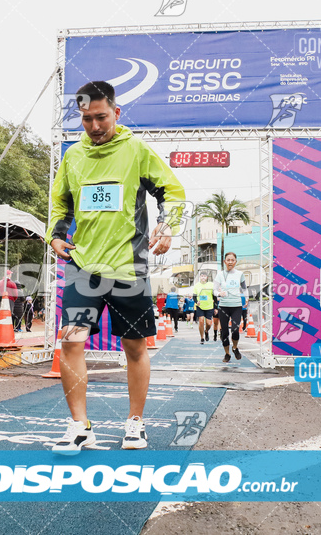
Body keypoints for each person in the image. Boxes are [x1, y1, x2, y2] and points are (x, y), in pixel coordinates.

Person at [46, 80, 185, 454]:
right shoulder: (73, 157)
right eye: (87, 119)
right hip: (85, 266)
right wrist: (56, 235)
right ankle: (79, 425)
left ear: (117, 112)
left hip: (129, 268)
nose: (94, 126)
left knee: (135, 347)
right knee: (71, 341)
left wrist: (168, 225)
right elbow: (61, 205)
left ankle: (135, 424)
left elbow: (171, 191)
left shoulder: (136, 150)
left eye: (101, 117)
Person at [215, 252, 245, 362]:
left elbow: (244, 288)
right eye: (228, 260)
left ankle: (235, 348)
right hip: (223, 306)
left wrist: (246, 298)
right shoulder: (220, 275)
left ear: (236, 261)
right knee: (224, 333)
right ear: (224, 262)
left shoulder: (240, 274)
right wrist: (219, 294)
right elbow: (214, 290)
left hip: (236, 305)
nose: (230, 262)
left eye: (232, 260)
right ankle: (227, 354)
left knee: (235, 330)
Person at [193, 272, 215, 343]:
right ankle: (202, 337)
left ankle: (206, 331)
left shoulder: (211, 285)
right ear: (199, 277)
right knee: (201, 321)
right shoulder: (196, 285)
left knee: (209, 323)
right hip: (200, 306)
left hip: (209, 306)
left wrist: (216, 307)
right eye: (201, 276)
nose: (203, 277)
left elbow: (214, 296)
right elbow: (194, 296)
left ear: (207, 277)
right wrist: (196, 302)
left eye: (204, 276)